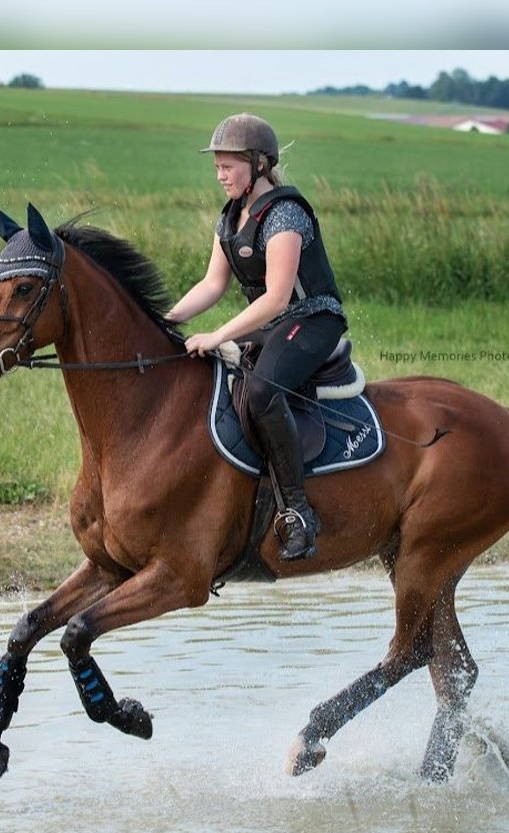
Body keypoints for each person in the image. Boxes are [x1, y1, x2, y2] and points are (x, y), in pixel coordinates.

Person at [166, 113, 348, 562]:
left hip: (313, 319)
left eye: (228, 166)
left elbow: (277, 298)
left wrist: (218, 335)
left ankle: (299, 513)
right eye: (217, 168)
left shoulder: (285, 213)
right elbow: (213, 285)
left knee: (264, 389)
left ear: (259, 165)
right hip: (275, 325)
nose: (220, 175)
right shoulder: (229, 219)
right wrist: (165, 321)